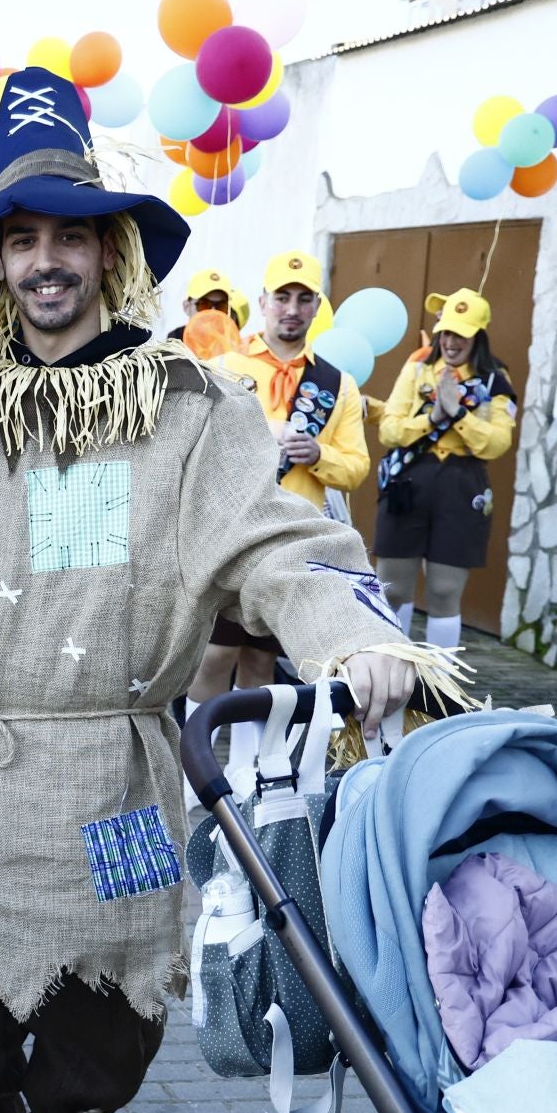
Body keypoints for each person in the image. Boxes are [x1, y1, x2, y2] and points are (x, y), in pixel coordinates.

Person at [0, 67, 435, 1113]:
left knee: (112, 971)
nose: (44, 262)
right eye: (20, 238)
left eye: (69, 236)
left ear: (110, 251)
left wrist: (354, 633)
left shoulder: (188, 405)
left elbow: (273, 536)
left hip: (114, 761)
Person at [190, 251, 371, 774]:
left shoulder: (337, 384)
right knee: (214, 656)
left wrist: (320, 454)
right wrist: (261, 435)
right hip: (233, 535)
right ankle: (191, 772)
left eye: (304, 298)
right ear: (264, 302)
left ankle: (247, 775)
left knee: (261, 660)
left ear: (317, 306)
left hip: (294, 542)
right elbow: (200, 445)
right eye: (283, 297)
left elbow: (357, 468)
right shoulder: (227, 368)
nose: (292, 309)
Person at [375, 287, 517, 653]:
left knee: (444, 590)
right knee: (392, 588)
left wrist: (458, 415)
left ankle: (441, 681)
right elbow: (389, 430)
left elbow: (497, 443)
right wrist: (432, 418)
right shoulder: (418, 369)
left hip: (461, 483)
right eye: (446, 332)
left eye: (461, 335)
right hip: (409, 480)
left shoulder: (495, 380)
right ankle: (389, 670)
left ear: (478, 336)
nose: (451, 342)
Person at [169, 266, 234, 344]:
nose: (213, 313)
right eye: (204, 305)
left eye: (221, 306)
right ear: (187, 307)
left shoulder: (234, 347)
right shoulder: (172, 346)